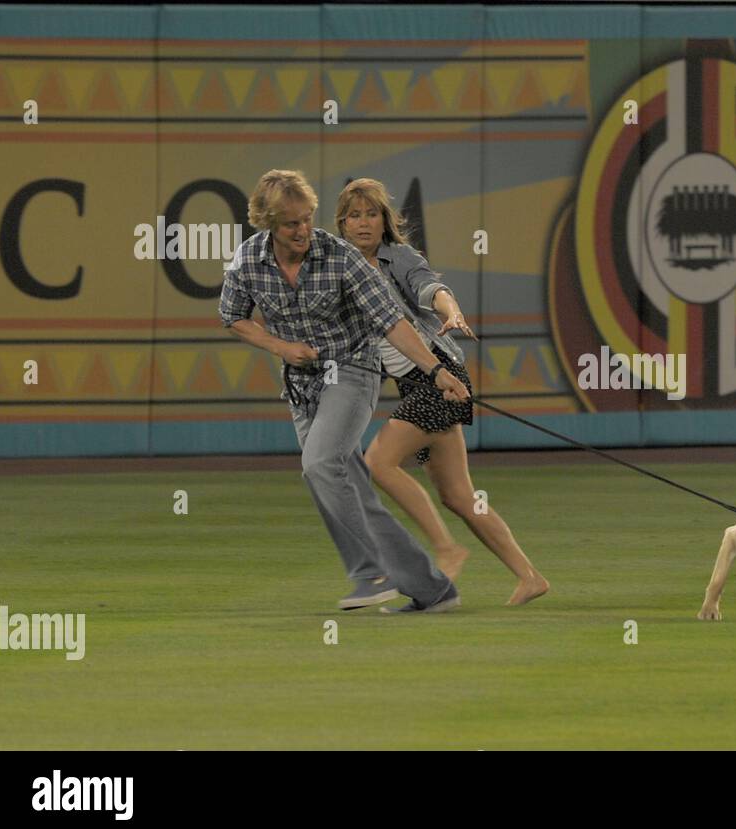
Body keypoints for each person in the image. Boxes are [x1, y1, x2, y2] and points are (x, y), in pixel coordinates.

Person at [218, 169, 469, 615]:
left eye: (307, 219)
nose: (302, 231)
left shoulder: (341, 256)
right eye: (291, 223)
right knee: (342, 483)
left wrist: (435, 371)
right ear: (267, 223)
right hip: (301, 386)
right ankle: (432, 590)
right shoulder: (247, 260)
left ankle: (372, 573)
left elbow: (392, 321)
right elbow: (233, 316)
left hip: (351, 372)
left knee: (318, 464)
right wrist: (280, 347)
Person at [336, 178, 549, 607]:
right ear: (341, 224)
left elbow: (432, 288)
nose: (363, 223)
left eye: (372, 214)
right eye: (354, 215)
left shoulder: (398, 258)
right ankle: (530, 577)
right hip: (413, 384)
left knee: (377, 462)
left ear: (385, 221)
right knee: (458, 496)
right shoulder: (339, 269)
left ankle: (447, 549)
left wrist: (451, 313)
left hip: (439, 375)